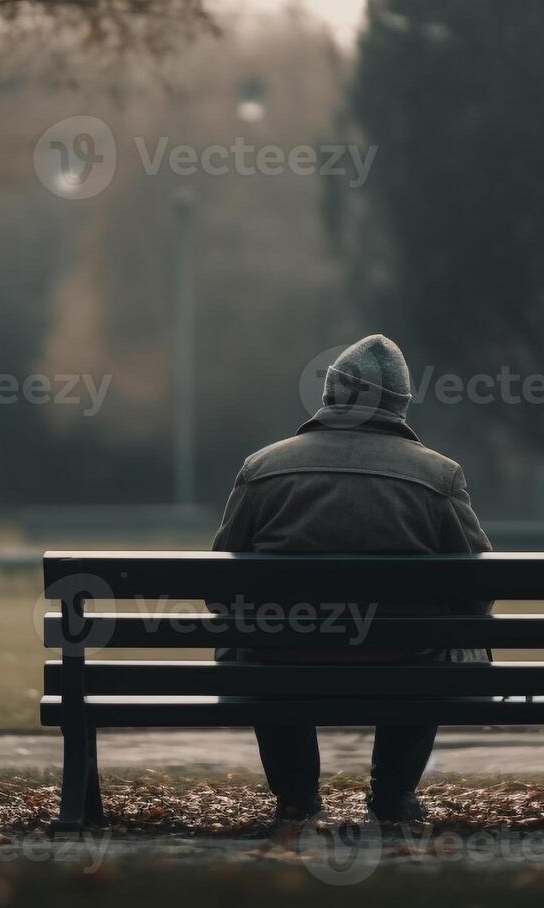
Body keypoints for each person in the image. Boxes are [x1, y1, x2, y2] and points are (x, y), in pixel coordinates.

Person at [211, 334, 492, 823]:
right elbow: (479, 587)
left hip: (283, 660)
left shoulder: (263, 469)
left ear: (330, 394)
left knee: (258, 646)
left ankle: (296, 795)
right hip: (404, 664)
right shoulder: (438, 477)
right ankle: (393, 794)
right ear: (400, 405)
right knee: (438, 649)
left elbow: (218, 587)